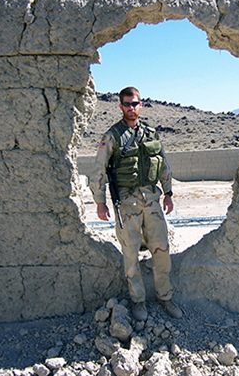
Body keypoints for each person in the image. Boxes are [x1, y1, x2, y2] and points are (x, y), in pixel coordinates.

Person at [89, 86, 183, 321]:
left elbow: (163, 164)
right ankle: (138, 301)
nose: (131, 108)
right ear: (121, 106)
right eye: (127, 104)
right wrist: (100, 202)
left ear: (141, 105)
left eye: (135, 103)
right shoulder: (112, 136)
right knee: (130, 253)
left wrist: (168, 193)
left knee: (161, 249)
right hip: (127, 203)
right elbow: (99, 170)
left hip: (152, 199)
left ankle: (165, 296)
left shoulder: (151, 134)